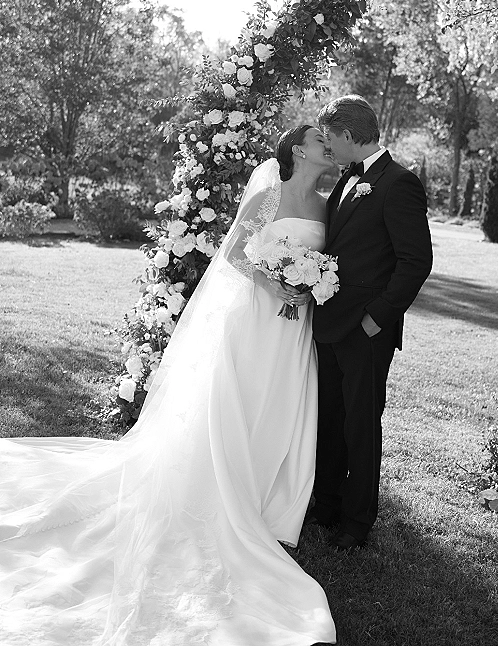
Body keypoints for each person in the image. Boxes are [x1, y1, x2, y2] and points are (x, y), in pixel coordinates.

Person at [0, 126, 337, 646]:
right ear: (297, 150)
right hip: (256, 316)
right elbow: (235, 254)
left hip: (293, 327)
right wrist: (278, 283)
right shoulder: (269, 195)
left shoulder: (325, 204)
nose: (327, 146)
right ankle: (220, 490)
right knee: (238, 400)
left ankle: (264, 495)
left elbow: (322, 262)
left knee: (276, 403)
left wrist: (308, 287)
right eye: (318, 139)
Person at [306, 95, 432, 551]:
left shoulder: (399, 183)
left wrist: (377, 319)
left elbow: (415, 262)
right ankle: (327, 504)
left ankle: (357, 521)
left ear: (347, 134)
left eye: (329, 137)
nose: (327, 146)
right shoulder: (346, 179)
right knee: (329, 418)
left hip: (366, 330)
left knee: (360, 426)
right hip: (329, 322)